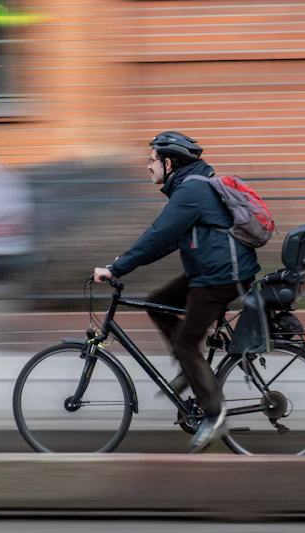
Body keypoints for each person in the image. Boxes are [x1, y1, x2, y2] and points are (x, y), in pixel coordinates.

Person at [92, 131, 260, 451]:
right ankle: (192, 371)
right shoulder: (191, 188)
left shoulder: (191, 191)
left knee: (186, 346)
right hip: (211, 271)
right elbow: (168, 240)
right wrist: (125, 262)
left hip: (219, 277)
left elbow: (158, 234)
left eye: (152, 160)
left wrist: (117, 269)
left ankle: (215, 415)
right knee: (157, 303)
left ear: (169, 163)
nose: (148, 166)